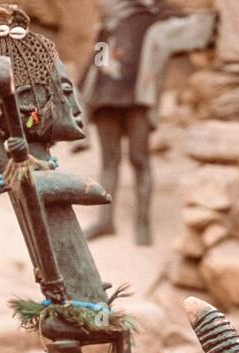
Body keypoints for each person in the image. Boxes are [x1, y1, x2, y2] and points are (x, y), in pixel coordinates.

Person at [81, 0, 213, 245]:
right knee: (109, 162)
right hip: (105, 101)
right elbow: (94, 65)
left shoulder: (154, 16)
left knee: (139, 160)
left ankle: (143, 222)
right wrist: (84, 99)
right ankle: (105, 220)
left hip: (137, 101)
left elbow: (195, 27)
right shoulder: (107, 24)